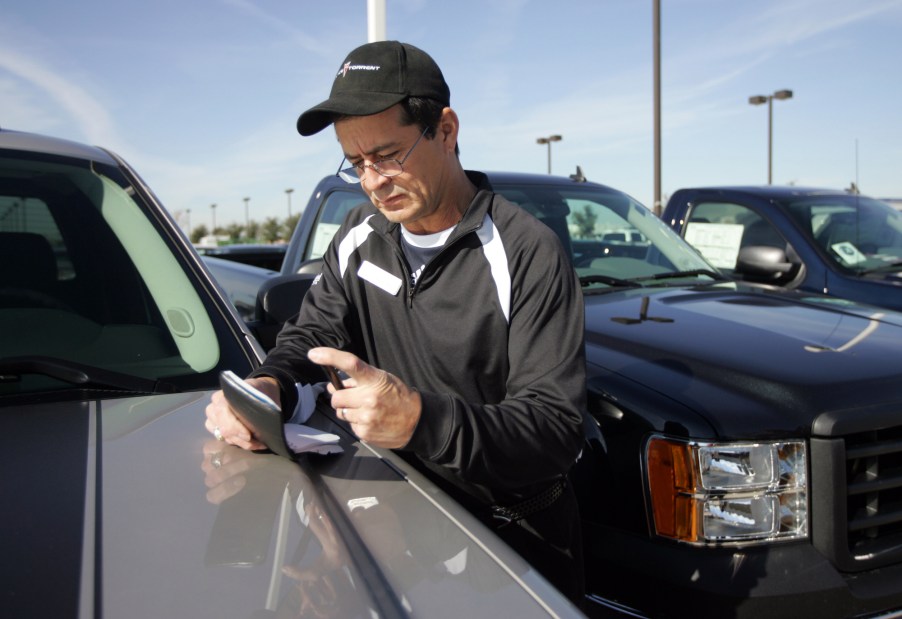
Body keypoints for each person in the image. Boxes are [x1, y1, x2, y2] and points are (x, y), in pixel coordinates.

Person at [205, 40, 587, 604]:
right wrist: (269, 390)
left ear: (446, 131)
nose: (371, 181)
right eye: (355, 163)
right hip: (394, 531)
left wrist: (419, 420)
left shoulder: (528, 251)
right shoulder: (360, 235)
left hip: (510, 551)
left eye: (388, 155)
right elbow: (312, 337)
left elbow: (555, 429)